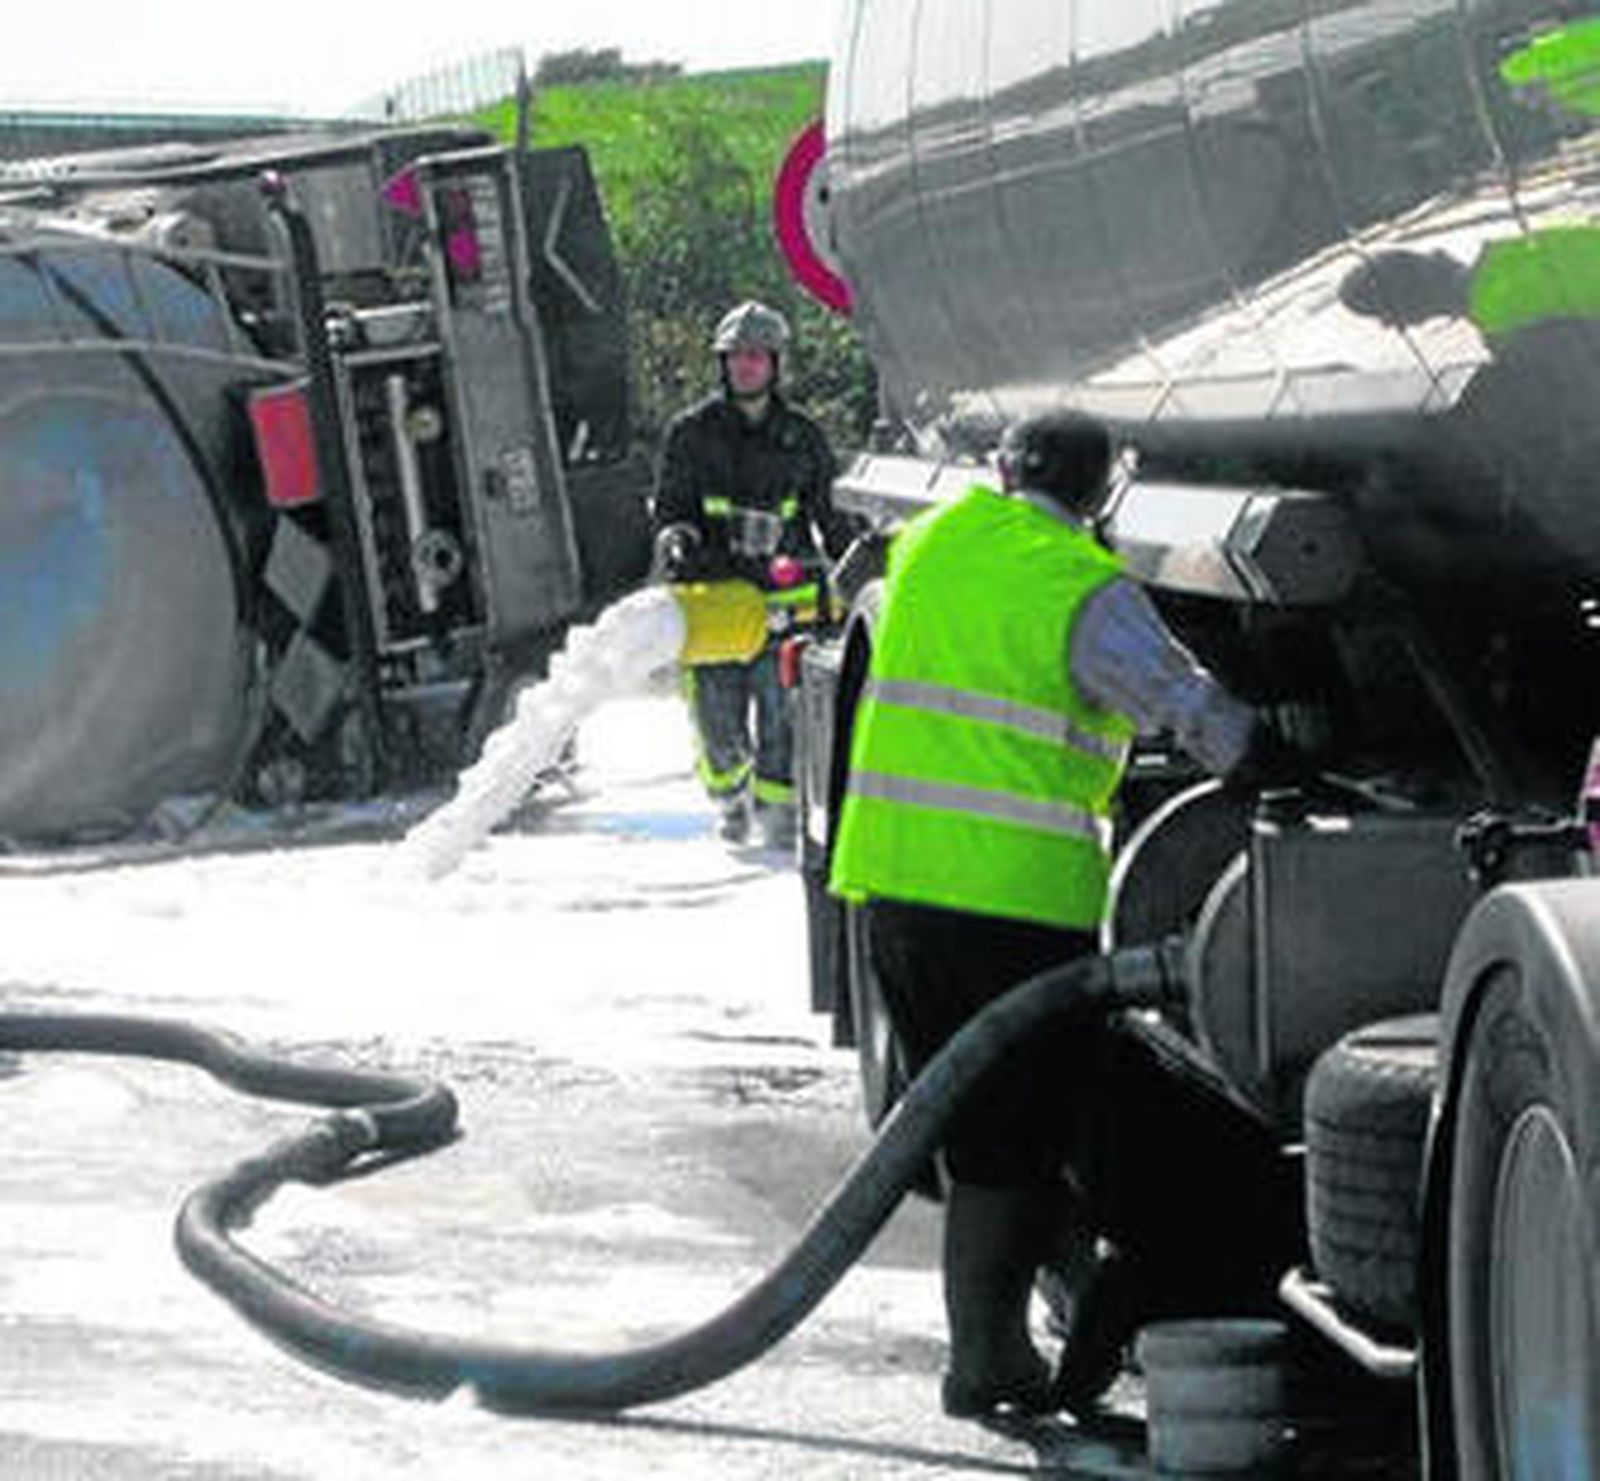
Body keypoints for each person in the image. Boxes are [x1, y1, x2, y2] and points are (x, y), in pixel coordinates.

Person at [827, 410, 1304, 1421]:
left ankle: (1051, 1314)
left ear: (1005, 470)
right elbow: (1185, 708)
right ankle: (986, 1358)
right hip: (1008, 903)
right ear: (1102, 491)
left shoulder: (933, 540)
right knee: (1012, 1140)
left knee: (978, 1130)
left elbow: (856, 593)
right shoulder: (1078, 584)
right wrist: (1275, 762)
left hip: (892, 889)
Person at [652, 300, 858, 849]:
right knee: (716, 719)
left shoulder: (803, 437)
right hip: (713, 599)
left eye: (756, 357)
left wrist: (853, 573)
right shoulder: (691, 434)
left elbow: (830, 517)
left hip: (783, 603)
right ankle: (730, 801)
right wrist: (676, 537)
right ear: (723, 364)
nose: (746, 367)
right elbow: (671, 505)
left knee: (782, 714)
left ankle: (778, 816)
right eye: (736, 357)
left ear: (774, 364)